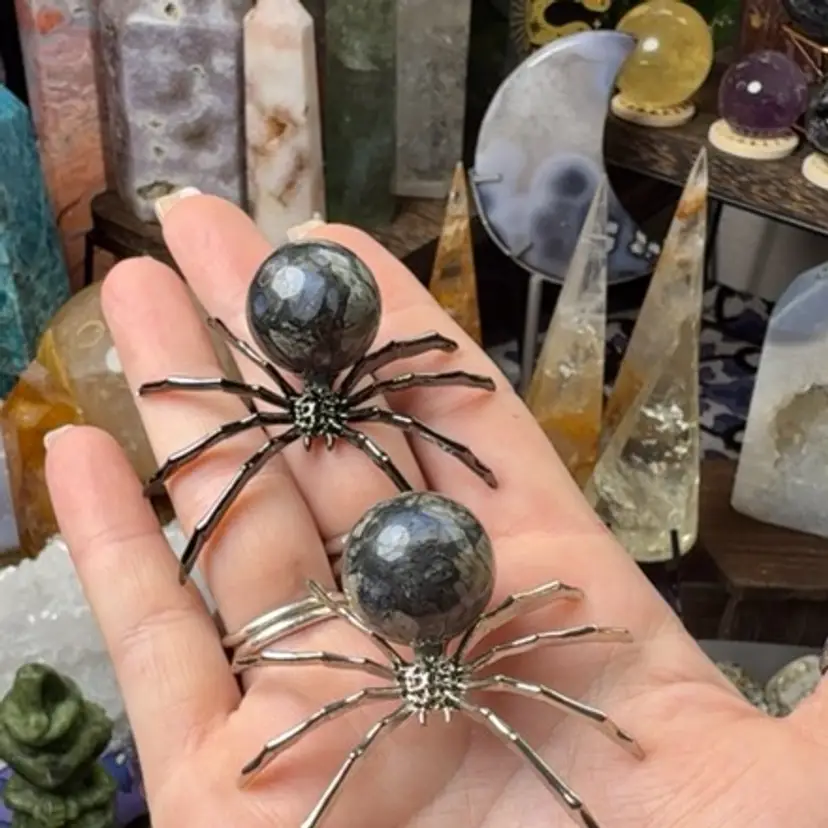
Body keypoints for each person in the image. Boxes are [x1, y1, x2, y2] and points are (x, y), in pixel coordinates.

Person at [44, 192, 826, 828]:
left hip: (419, 585)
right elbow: (245, 374)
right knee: (256, 458)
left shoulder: (407, 623)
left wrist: (572, 619)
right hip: (404, 574)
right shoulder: (295, 399)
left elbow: (529, 621)